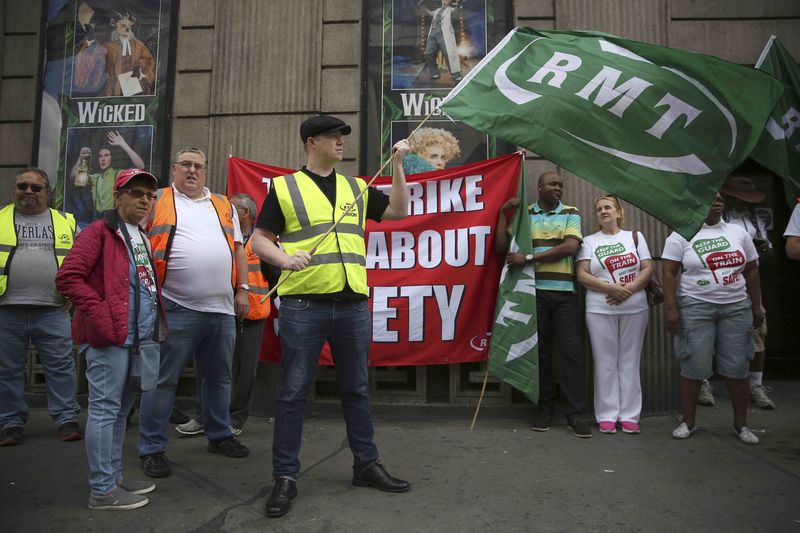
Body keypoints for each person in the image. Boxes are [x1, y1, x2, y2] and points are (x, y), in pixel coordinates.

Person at [251, 115, 411, 518]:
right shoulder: (286, 188)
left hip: (352, 302)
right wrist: (285, 258)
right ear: (311, 142)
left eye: (341, 136)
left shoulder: (356, 188)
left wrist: (397, 166)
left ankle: (366, 465)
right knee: (293, 393)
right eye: (332, 136)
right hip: (304, 303)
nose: (340, 141)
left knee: (356, 389)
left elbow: (397, 211)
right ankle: (285, 476)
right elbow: (258, 240)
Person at [56, 168, 166, 510]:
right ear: (117, 197)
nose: (145, 200)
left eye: (150, 195)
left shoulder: (142, 235)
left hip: (139, 340)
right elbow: (68, 277)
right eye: (136, 193)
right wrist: (101, 315)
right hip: (109, 338)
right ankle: (102, 490)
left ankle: (115, 477)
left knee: (121, 411)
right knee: (104, 410)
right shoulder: (99, 233)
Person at [137, 147, 251, 478]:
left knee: (219, 378)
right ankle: (152, 449)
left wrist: (242, 290)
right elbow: (134, 239)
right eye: (185, 165)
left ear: (205, 171)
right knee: (162, 380)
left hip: (221, 308)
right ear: (173, 169)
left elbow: (239, 249)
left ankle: (219, 435)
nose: (191, 171)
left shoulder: (223, 204)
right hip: (175, 304)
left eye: (198, 166)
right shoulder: (156, 199)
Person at [663, 193, 764, 445]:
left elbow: (751, 270)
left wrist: (757, 306)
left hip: (736, 307)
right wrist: (671, 308)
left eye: (720, 199)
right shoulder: (681, 234)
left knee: (737, 366)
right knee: (694, 365)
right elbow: (667, 272)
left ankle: (741, 425)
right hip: (695, 307)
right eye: (710, 199)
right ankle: (688, 422)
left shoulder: (738, 233)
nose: (717, 202)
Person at [495, 171, 590, 438]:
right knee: (542, 355)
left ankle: (574, 413)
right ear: (539, 187)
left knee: (571, 353)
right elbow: (502, 249)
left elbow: (569, 248)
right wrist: (503, 215)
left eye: (560, 185)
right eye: (552, 184)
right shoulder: (525, 215)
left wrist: (527, 257)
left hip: (564, 295)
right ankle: (545, 408)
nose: (558, 188)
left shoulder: (571, 212)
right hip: (533, 294)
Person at [174, 193, 271, 436]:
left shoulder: (263, 242)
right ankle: (202, 416)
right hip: (220, 311)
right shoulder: (221, 236)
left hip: (252, 317)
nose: (226, 213)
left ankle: (235, 420)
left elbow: (277, 277)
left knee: (244, 372)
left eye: (233, 209)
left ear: (246, 214)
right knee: (208, 366)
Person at [0, 168, 82, 447]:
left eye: (36, 188)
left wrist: (76, 292)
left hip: (53, 308)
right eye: (22, 186)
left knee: (60, 366)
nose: (28, 192)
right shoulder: (0, 219)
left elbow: (83, 260)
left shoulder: (66, 222)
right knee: (7, 369)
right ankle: (10, 422)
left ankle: (66, 418)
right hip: (7, 309)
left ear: (48, 192)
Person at [576, 195, 652, 434]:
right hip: (599, 308)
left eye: (608, 207)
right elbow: (582, 274)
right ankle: (607, 415)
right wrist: (611, 289)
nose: (603, 211)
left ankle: (630, 415)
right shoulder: (589, 241)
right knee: (605, 362)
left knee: (629, 361)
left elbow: (648, 267)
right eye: (599, 209)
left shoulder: (635, 237)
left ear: (619, 212)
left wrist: (627, 290)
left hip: (635, 307)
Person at [719, 176, 775, 409]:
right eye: (738, 198)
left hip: (749, 284)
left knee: (757, 331)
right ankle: (703, 382)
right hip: (722, 282)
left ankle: (756, 385)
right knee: (713, 334)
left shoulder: (755, 220)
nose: (742, 202)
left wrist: (764, 247)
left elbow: (769, 251)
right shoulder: (721, 219)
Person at [91, 130, 146, 217]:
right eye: (100, 156)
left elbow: (140, 166)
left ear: (111, 159)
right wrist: (81, 157)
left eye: (106, 155)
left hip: (112, 217)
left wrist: (123, 144)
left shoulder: (118, 174)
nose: (103, 158)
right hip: (96, 218)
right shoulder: (95, 177)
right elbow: (73, 177)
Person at [418, 0, 462, 83]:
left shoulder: (451, 10)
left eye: (447, 0)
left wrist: (458, 5)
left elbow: (456, 12)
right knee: (429, 53)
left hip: (443, 34)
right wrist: (422, 6)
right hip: (433, 34)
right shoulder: (438, 10)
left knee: (449, 55)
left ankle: (456, 76)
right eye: (444, 0)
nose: (445, 1)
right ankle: (435, 74)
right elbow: (429, 13)